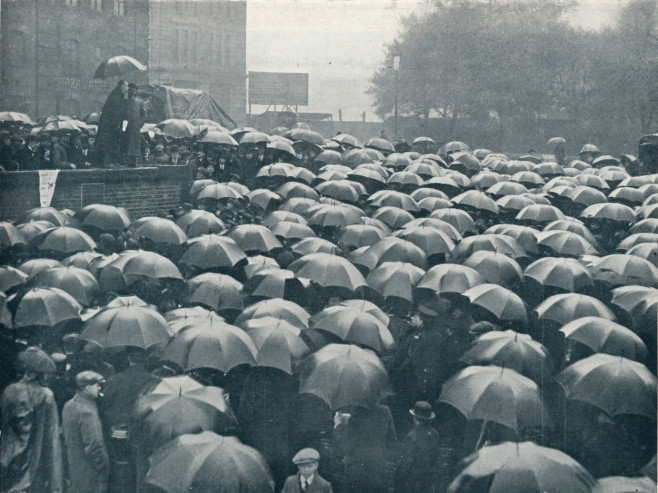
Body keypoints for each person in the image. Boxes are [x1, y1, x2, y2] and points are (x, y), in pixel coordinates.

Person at [0, 347, 63, 493]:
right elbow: (52, 438)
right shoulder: (46, 395)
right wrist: (56, 485)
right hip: (34, 464)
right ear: (39, 373)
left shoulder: (9, 391)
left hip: (8, 460)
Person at [62, 371, 109, 493]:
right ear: (87, 387)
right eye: (97, 385)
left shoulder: (69, 404)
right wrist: (104, 466)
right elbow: (94, 445)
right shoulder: (86, 411)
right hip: (89, 470)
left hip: (73, 466)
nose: (99, 388)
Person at [395, 401, 442, 493]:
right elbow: (436, 457)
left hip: (412, 481)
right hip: (427, 480)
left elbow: (406, 462)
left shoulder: (412, 436)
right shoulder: (434, 434)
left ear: (415, 417)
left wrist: (398, 479)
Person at [96, 80, 128, 168]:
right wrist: (117, 125)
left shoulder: (119, 96)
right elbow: (115, 113)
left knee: (115, 143)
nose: (127, 88)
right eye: (126, 86)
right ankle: (108, 162)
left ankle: (114, 161)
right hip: (110, 126)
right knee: (109, 143)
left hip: (113, 125)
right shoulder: (116, 97)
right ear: (122, 86)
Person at [121, 83, 144, 167]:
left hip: (135, 127)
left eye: (134, 90)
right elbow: (122, 114)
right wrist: (123, 127)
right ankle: (126, 161)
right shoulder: (124, 101)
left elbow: (144, 114)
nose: (133, 92)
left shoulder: (139, 102)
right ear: (128, 90)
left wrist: (140, 123)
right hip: (126, 126)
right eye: (131, 90)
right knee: (126, 143)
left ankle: (134, 161)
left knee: (135, 145)